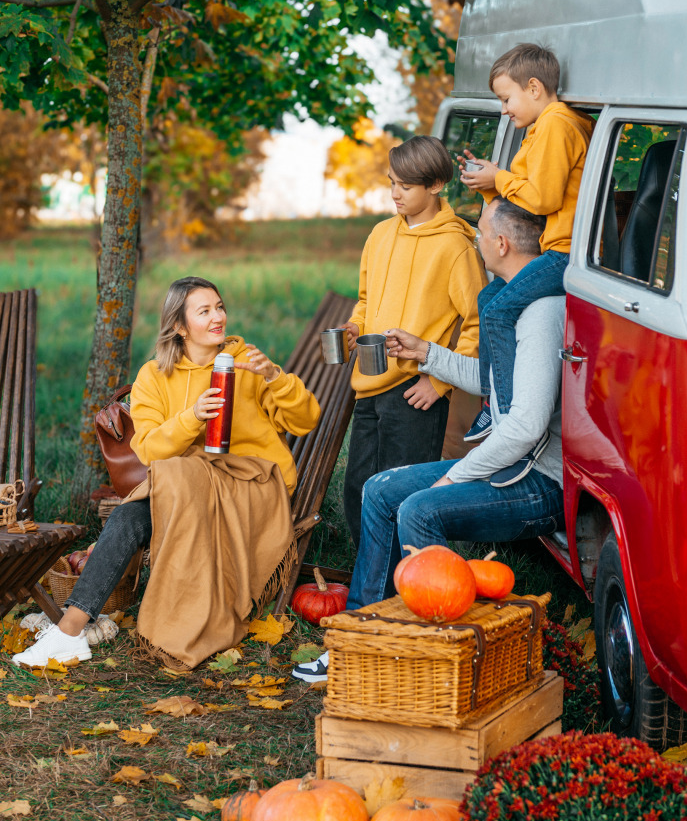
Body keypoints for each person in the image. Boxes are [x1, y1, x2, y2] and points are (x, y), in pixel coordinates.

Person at [292, 197, 563, 683]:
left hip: (539, 482)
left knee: (421, 508)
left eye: (479, 231)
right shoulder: (512, 297)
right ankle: (363, 634)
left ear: (500, 243)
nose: (475, 240)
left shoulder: (540, 313)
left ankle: (426, 661)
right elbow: (491, 379)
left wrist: (457, 475)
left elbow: (526, 426)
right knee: (380, 489)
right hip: (510, 467)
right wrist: (426, 354)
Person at [15, 276, 320, 671]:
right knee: (131, 513)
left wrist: (275, 378)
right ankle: (69, 633)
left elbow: (307, 419)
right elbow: (149, 448)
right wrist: (192, 418)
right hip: (185, 490)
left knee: (172, 477)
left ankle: (167, 627)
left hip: (251, 484)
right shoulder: (153, 377)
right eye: (204, 311)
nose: (218, 317)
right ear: (179, 326)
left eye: (220, 307)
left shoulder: (245, 363)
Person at [338, 135, 485, 549]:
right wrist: (355, 326)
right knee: (359, 488)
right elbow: (367, 300)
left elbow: (477, 325)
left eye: (405, 185)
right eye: (391, 183)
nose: (395, 194)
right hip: (368, 383)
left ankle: (407, 583)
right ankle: (370, 578)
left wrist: (440, 383)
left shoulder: (455, 247)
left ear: (435, 185)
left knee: (401, 496)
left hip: (415, 391)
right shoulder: (381, 235)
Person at [460, 42, 593, 444]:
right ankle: (492, 400)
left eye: (506, 98)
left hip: (564, 252)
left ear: (534, 87)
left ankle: (511, 420)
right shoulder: (545, 126)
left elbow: (543, 199)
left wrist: (498, 179)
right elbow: (527, 195)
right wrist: (492, 185)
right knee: (488, 300)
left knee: (499, 310)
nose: (504, 109)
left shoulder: (557, 124)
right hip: (556, 247)